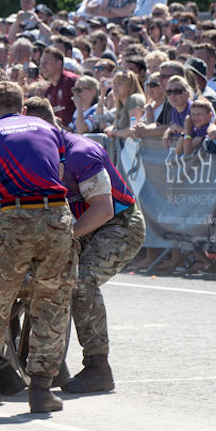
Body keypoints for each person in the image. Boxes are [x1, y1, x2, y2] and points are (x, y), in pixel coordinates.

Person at [0, 81, 76, 414]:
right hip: (55, 213)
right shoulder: (50, 129)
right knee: (52, 301)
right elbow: (61, 176)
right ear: (23, 107)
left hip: (13, 215)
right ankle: (40, 390)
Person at [24, 97, 145, 395]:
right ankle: (51, 363)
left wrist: (65, 237)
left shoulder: (82, 152)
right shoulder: (42, 153)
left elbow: (103, 210)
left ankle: (98, 367)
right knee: (47, 281)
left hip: (118, 224)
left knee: (82, 282)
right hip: (80, 227)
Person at [40, 46, 78, 126]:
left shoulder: (71, 82)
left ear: (59, 64)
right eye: (41, 63)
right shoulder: (48, 91)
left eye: (46, 63)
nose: (42, 66)